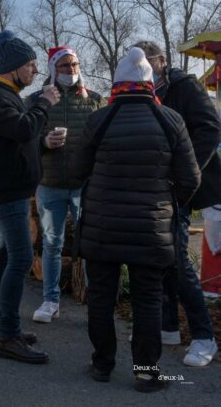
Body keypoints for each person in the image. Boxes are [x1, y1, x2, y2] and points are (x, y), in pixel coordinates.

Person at [73, 47, 200, 392]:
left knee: (101, 296)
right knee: (147, 299)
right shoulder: (170, 119)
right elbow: (190, 179)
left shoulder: (99, 119)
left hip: (102, 228)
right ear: (150, 82)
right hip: (150, 228)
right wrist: (168, 203)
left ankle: (102, 364)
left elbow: (77, 171)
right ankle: (146, 373)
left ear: (117, 84)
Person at [0, 29, 60, 365]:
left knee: (4, 255)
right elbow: (21, 129)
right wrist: (44, 103)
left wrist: (44, 143)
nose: (34, 71)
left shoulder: (4, 94)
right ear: (15, 66)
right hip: (9, 189)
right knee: (19, 259)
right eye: (30, 65)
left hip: (9, 185)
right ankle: (9, 336)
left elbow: (15, 137)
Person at [134, 40, 221, 367]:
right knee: (162, 256)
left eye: (146, 62)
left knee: (178, 260)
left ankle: (204, 336)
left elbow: (210, 130)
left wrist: (188, 172)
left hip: (186, 187)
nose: (143, 69)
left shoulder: (185, 88)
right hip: (158, 188)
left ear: (161, 61)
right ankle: (168, 325)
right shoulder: (144, 94)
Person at [25, 47, 106, 323]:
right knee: (52, 244)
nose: (71, 71)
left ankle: (96, 302)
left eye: (75, 65)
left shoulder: (94, 101)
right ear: (53, 70)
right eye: (65, 66)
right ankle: (50, 301)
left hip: (85, 186)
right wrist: (43, 143)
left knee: (92, 245)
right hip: (50, 184)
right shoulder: (38, 100)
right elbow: (23, 140)